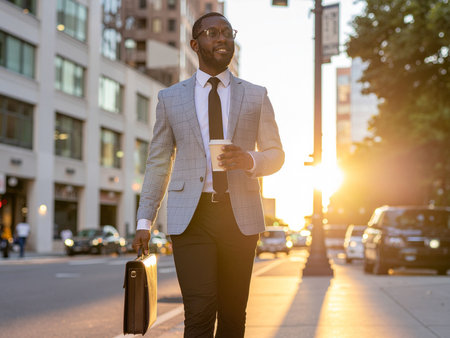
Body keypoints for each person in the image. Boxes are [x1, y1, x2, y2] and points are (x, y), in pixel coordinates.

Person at [133, 12, 284, 338]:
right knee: (199, 313)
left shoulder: (256, 95)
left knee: (232, 316)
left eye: (227, 33)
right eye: (212, 33)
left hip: (239, 216)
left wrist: (248, 160)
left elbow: (276, 155)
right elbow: (158, 162)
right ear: (194, 43)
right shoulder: (170, 98)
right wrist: (145, 221)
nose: (222, 39)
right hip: (192, 217)